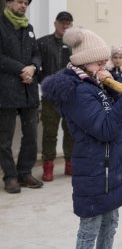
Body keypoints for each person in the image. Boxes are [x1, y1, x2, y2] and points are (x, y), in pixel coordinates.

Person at [41, 26, 122, 248]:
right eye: (98, 62)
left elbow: (111, 108)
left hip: (108, 168)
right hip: (94, 170)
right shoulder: (78, 92)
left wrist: (119, 93)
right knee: (90, 229)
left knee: (110, 223)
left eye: (104, 62)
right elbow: (105, 128)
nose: (103, 67)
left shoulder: (94, 84)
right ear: (83, 62)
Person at [0, 0, 43, 193]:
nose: (23, 6)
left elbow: (36, 53)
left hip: (29, 89)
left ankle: (24, 172)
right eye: (19, 1)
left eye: (26, 2)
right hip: (7, 90)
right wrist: (22, 69)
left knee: (31, 135)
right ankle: (10, 176)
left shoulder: (29, 27)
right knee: (5, 137)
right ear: (9, 3)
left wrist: (33, 67)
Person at [37, 11, 74, 182]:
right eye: (62, 23)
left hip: (70, 97)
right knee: (49, 133)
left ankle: (70, 163)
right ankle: (48, 165)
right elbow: (36, 65)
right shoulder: (43, 43)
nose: (65, 26)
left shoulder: (76, 45)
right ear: (55, 23)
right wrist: (45, 83)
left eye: (68, 23)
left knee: (71, 131)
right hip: (50, 98)